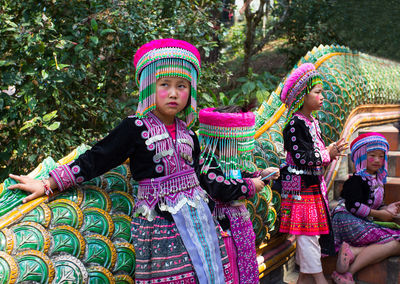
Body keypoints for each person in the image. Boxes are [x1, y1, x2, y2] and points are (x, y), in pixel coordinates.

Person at [8, 38, 234, 284]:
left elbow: (202, 175)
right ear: (149, 87)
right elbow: (98, 157)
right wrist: (49, 183)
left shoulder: (189, 133)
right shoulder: (134, 128)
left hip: (201, 222)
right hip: (161, 227)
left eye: (182, 86)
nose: (173, 93)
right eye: (164, 84)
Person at [279, 63, 348, 284]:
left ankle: (307, 280)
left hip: (311, 188)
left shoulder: (312, 123)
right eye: (317, 92)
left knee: (310, 237)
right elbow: (303, 158)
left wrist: (330, 152)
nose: (322, 96)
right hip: (300, 191)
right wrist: (327, 152)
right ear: (302, 95)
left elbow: (314, 156)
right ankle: (320, 280)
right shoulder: (293, 125)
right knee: (308, 237)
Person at [197, 104, 280, 284]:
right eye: (236, 141)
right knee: (231, 271)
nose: (240, 147)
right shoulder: (206, 162)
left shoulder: (228, 160)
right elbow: (221, 188)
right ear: (224, 138)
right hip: (221, 229)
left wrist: (261, 176)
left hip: (240, 226)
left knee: (245, 267)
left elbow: (240, 177)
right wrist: (250, 185)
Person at [331, 132, 400, 284]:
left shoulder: (377, 179)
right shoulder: (356, 180)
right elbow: (354, 205)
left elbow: (371, 204)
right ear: (360, 155)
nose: (377, 160)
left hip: (359, 221)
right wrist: (381, 215)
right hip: (346, 221)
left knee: (395, 242)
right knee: (396, 241)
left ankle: (353, 252)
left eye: (381, 156)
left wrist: (387, 208)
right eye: (372, 155)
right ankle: (347, 273)